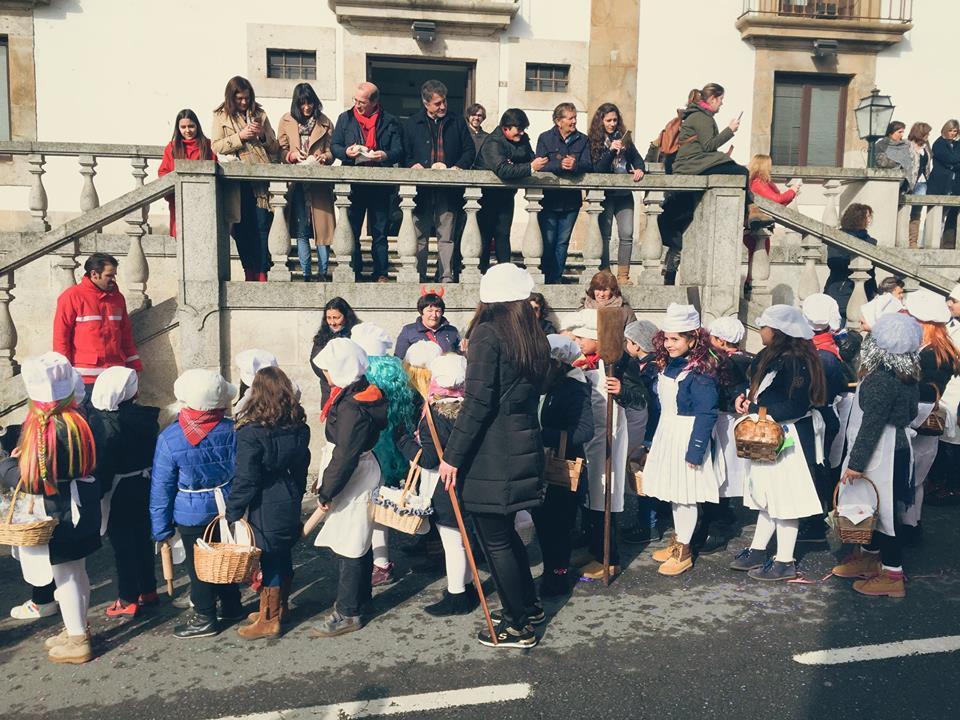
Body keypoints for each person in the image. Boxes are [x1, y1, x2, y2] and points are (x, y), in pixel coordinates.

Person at [438, 263, 551, 649]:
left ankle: (518, 626)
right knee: (505, 534)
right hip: (521, 441)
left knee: (495, 539)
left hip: (494, 450)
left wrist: (452, 456)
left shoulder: (488, 333)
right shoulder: (532, 333)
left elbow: (477, 403)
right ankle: (527, 606)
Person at [1, 353, 99, 663]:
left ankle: (78, 639)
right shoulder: (78, 419)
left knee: (65, 576)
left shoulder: (47, 429)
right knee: (77, 572)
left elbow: (32, 480)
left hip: (60, 511)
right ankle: (77, 627)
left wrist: (7, 466)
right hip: (81, 504)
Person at [730, 305, 825, 581]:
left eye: (764, 327)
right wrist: (743, 398)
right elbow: (756, 388)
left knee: (785, 498)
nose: (761, 331)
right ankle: (759, 549)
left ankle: (785, 560)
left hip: (788, 435)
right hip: (769, 430)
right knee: (767, 495)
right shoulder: (772, 355)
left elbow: (796, 405)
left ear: (778, 331)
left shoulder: (796, 360)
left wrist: (756, 409)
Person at [832, 313, 921, 598]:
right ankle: (870, 556)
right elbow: (910, 413)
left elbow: (871, 424)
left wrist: (855, 464)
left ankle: (892, 573)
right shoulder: (908, 374)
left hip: (882, 451)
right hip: (897, 446)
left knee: (883, 512)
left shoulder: (880, 377)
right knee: (875, 507)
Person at [150, 369, 242, 639]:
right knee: (225, 558)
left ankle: (204, 616)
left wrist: (161, 528)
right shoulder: (233, 430)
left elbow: (162, 486)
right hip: (227, 506)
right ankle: (232, 605)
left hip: (191, 512)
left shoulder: (170, 437)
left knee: (199, 567)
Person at [310, 338, 388, 637]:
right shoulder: (360, 393)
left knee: (351, 543)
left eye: (328, 369)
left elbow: (345, 455)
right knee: (359, 539)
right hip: (359, 470)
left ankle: (348, 612)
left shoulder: (352, 407)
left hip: (354, 475)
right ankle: (359, 599)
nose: (325, 374)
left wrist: (327, 490)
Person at [225, 367, 310, 639]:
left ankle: (270, 619)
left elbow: (247, 478)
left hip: (265, 499)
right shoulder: (299, 427)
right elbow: (301, 467)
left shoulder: (251, 432)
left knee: (270, 556)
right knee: (282, 552)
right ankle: (279, 607)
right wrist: (296, 494)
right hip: (288, 491)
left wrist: (233, 510)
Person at [396, 353, 481, 614]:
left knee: (452, 542)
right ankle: (467, 585)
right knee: (467, 539)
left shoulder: (434, 415)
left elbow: (429, 459)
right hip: (474, 480)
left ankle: (458, 595)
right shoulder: (474, 409)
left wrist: (403, 441)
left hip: (447, 485)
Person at [641, 304, 721, 577]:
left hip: (687, 435)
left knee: (686, 495)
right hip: (668, 432)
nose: (668, 344)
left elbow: (707, 413)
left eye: (675, 339)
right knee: (675, 493)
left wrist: (696, 450)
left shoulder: (700, 372)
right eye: (666, 338)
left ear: (693, 339)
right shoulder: (671, 364)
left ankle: (684, 551)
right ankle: (678, 540)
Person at [86, 367, 160, 618]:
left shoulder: (106, 424)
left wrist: (98, 492)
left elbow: (105, 465)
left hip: (119, 488)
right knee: (142, 539)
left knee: (123, 545)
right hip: (144, 482)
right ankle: (148, 589)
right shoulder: (146, 417)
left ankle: (128, 597)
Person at [567, 309, 631, 580]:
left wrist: (622, 390)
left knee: (606, 497)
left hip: (609, 438)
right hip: (590, 437)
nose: (578, 342)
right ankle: (594, 549)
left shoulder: (619, 363)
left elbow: (638, 396)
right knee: (590, 497)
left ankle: (609, 557)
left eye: (582, 338)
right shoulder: (586, 364)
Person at [351, 323, 416, 588]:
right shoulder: (395, 371)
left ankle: (378, 562)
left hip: (370, 450)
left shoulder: (363, 374)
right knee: (380, 505)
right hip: (392, 449)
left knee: (368, 507)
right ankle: (380, 561)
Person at [532, 335, 594, 595]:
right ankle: (550, 570)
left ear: (557, 362)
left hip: (562, 466)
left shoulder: (574, 388)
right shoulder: (546, 384)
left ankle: (558, 576)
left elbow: (585, 430)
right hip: (542, 463)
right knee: (543, 523)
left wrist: (542, 435)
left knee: (559, 524)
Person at [897, 289, 960, 545]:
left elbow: (921, 390)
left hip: (918, 418)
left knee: (910, 476)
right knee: (917, 479)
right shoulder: (937, 349)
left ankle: (908, 525)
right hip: (925, 419)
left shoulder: (931, 354)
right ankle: (912, 523)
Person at [671, 83, 774, 231]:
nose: (722, 103)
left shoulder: (700, 115)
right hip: (694, 164)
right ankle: (750, 211)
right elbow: (708, 146)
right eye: (721, 99)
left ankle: (750, 211)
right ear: (712, 99)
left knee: (738, 170)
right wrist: (729, 130)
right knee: (741, 172)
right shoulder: (701, 117)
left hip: (696, 162)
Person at [402, 80, 475, 283]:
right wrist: (413, 164)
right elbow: (404, 153)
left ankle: (446, 276)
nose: (443, 106)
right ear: (426, 103)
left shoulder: (457, 121)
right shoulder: (412, 123)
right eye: (437, 103)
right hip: (421, 190)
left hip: (448, 191)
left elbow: (469, 150)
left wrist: (458, 167)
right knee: (419, 236)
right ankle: (419, 276)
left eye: (444, 101)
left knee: (447, 236)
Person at [331, 82, 404, 282]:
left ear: (374, 102)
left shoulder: (390, 121)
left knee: (380, 232)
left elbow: (399, 150)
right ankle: (355, 271)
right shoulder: (345, 118)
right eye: (355, 100)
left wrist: (385, 155)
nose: (357, 105)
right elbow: (335, 146)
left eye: (362, 102)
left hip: (380, 185)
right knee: (352, 230)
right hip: (354, 184)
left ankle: (381, 273)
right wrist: (346, 152)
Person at [211, 76, 279, 282]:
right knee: (242, 229)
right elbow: (216, 146)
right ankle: (249, 272)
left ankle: (262, 273)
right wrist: (240, 137)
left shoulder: (260, 114)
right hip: (237, 183)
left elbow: (275, 148)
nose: (243, 102)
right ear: (231, 97)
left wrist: (262, 136)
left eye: (247, 98)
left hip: (260, 182)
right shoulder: (221, 116)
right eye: (239, 98)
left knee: (262, 226)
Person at [695, 315, 751, 554]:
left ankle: (717, 526)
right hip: (732, 420)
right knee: (725, 473)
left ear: (719, 340)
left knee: (720, 474)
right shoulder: (748, 359)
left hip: (723, 419)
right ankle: (721, 516)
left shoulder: (724, 362)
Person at [53, 253, 142, 396]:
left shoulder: (118, 299)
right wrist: (63, 377)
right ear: (94, 274)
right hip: (86, 380)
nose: (113, 279)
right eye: (109, 275)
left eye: (114, 275)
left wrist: (135, 368)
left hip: (116, 377)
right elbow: (61, 339)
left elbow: (126, 336)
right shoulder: (71, 297)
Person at [799, 293, 849, 544]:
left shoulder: (819, 354)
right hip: (825, 413)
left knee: (815, 469)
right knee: (819, 467)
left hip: (817, 415)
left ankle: (815, 522)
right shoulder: (829, 347)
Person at [474, 108, 548, 271]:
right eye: (518, 129)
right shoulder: (492, 143)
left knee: (503, 236)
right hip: (485, 198)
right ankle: (482, 273)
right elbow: (503, 170)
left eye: (523, 129)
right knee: (484, 238)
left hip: (506, 197)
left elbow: (529, 157)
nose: (521, 133)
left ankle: (505, 273)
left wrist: (519, 165)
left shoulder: (522, 139)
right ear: (505, 128)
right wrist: (529, 167)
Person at [277, 83, 336, 282]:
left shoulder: (325, 122)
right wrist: (292, 156)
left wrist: (325, 157)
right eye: (302, 103)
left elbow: (332, 150)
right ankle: (306, 273)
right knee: (301, 229)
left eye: (309, 102)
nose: (306, 107)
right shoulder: (286, 120)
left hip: (319, 183)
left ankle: (323, 272)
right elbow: (280, 150)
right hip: (297, 183)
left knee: (322, 229)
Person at [536, 103, 593, 284]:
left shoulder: (583, 140)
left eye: (575, 117)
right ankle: (545, 278)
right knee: (548, 241)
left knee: (562, 243)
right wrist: (559, 165)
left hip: (571, 201)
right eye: (570, 118)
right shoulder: (545, 138)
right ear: (558, 121)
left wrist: (575, 165)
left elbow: (589, 165)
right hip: (549, 199)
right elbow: (539, 165)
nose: (574, 121)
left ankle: (556, 279)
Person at [588, 103, 645, 283]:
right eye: (608, 120)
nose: (612, 124)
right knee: (604, 235)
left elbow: (637, 159)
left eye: (615, 120)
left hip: (624, 194)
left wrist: (639, 169)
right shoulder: (594, 141)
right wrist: (611, 151)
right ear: (601, 121)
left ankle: (623, 276)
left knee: (627, 234)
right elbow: (599, 169)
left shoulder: (623, 137)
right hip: (605, 194)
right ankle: (605, 274)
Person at [621, 319, 665, 545]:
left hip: (651, 428)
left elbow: (649, 403)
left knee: (643, 476)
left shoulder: (649, 370)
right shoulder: (658, 365)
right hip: (655, 427)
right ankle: (657, 518)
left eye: (627, 341)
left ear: (637, 345)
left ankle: (648, 526)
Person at [744, 154, 799, 295]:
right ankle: (750, 285)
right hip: (757, 227)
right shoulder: (758, 182)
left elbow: (776, 206)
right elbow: (776, 200)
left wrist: (791, 194)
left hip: (758, 227)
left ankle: (750, 284)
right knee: (756, 256)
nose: (770, 168)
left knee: (756, 256)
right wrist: (792, 191)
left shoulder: (756, 182)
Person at [157, 109, 215, 237]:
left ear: (197, 126)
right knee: (182, 236)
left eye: (191, 126)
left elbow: (215, 168)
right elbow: (163, 172)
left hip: (203, 201)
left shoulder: (208, 145)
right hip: (179, 200)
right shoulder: (171, 147)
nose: (187, 130)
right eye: (183, 127)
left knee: (203, 237)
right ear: (178, 128)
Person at [824, 203, 878, 323]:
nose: (869, 220)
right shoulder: (838, 237)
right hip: (840, 289)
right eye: (867, 216)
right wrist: (854, 259)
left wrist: (874, 291)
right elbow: (833, 262)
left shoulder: (871, 241)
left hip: (864, 291)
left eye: (870, 217)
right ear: (857, 218)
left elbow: (871, 271)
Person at [309, 297, 360, 405]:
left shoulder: (357, 333)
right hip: (329, 389)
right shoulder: (323, 335)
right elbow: (315, 360)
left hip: (352, 390)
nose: (332, 322)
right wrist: (331, 378)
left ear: (346, 316)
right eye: (329, 318)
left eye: (336, 318)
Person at [394, 290, 462, 360]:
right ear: (421, 311)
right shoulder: (409, 331)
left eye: (438, 311)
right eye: (430, 311)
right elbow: (398, 359)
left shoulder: (452, 331)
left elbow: (459, 357)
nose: (434, 315)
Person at [928, 120, 960, 249]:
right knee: (937, 216)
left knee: (952, 216)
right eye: (950, 130)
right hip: (940, 184)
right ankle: (933, 243)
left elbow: (953, 161)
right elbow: (949, 159)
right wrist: (954, 162)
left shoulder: (957, 145)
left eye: (955, 131)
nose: (953, 133)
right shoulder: (939, 143)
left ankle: (948, 244)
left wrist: (953, 163)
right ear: (945, 130)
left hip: (955, 186)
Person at [906, 122, 933, 248]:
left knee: (916, 212)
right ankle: (903, 238)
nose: (928, 136)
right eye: (926, 133)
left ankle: (913, 242)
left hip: (922, 182)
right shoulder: (908, 145)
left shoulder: (926, 147)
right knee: (902, 209)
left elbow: (927, 164)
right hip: (909, 181)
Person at [874, 121, 918, 193]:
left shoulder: (906, 146)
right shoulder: (880, 145)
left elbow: (912, 164)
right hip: (884, 183)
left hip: (903, 184)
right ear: (891, 133)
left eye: (903, 132)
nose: (902, 135)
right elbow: (878, 162)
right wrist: (896, 164)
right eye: (899, 132)